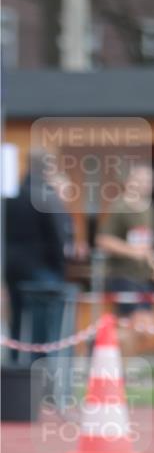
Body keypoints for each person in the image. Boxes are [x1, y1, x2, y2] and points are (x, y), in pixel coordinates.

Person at [3, 151, 75, 359]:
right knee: (42, 328)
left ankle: (15, 366)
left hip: (12, 266)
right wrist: (62, 266)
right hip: (43, 268)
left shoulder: (12, 194)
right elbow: (58, 235)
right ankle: (38, 371)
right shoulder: (47, 196)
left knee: (16, 320)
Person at [96, 163, 154, 352]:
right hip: (122, 275)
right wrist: (131, 251)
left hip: (142, 276)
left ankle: (109, 353)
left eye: (149, 181)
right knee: (133, 325)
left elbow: (147, 242)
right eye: (140, 180)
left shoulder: (150, 207)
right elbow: (103, 240)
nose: (145, 184)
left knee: (146, 328)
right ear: (129, 182)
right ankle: (102, 351)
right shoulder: (119, 206)